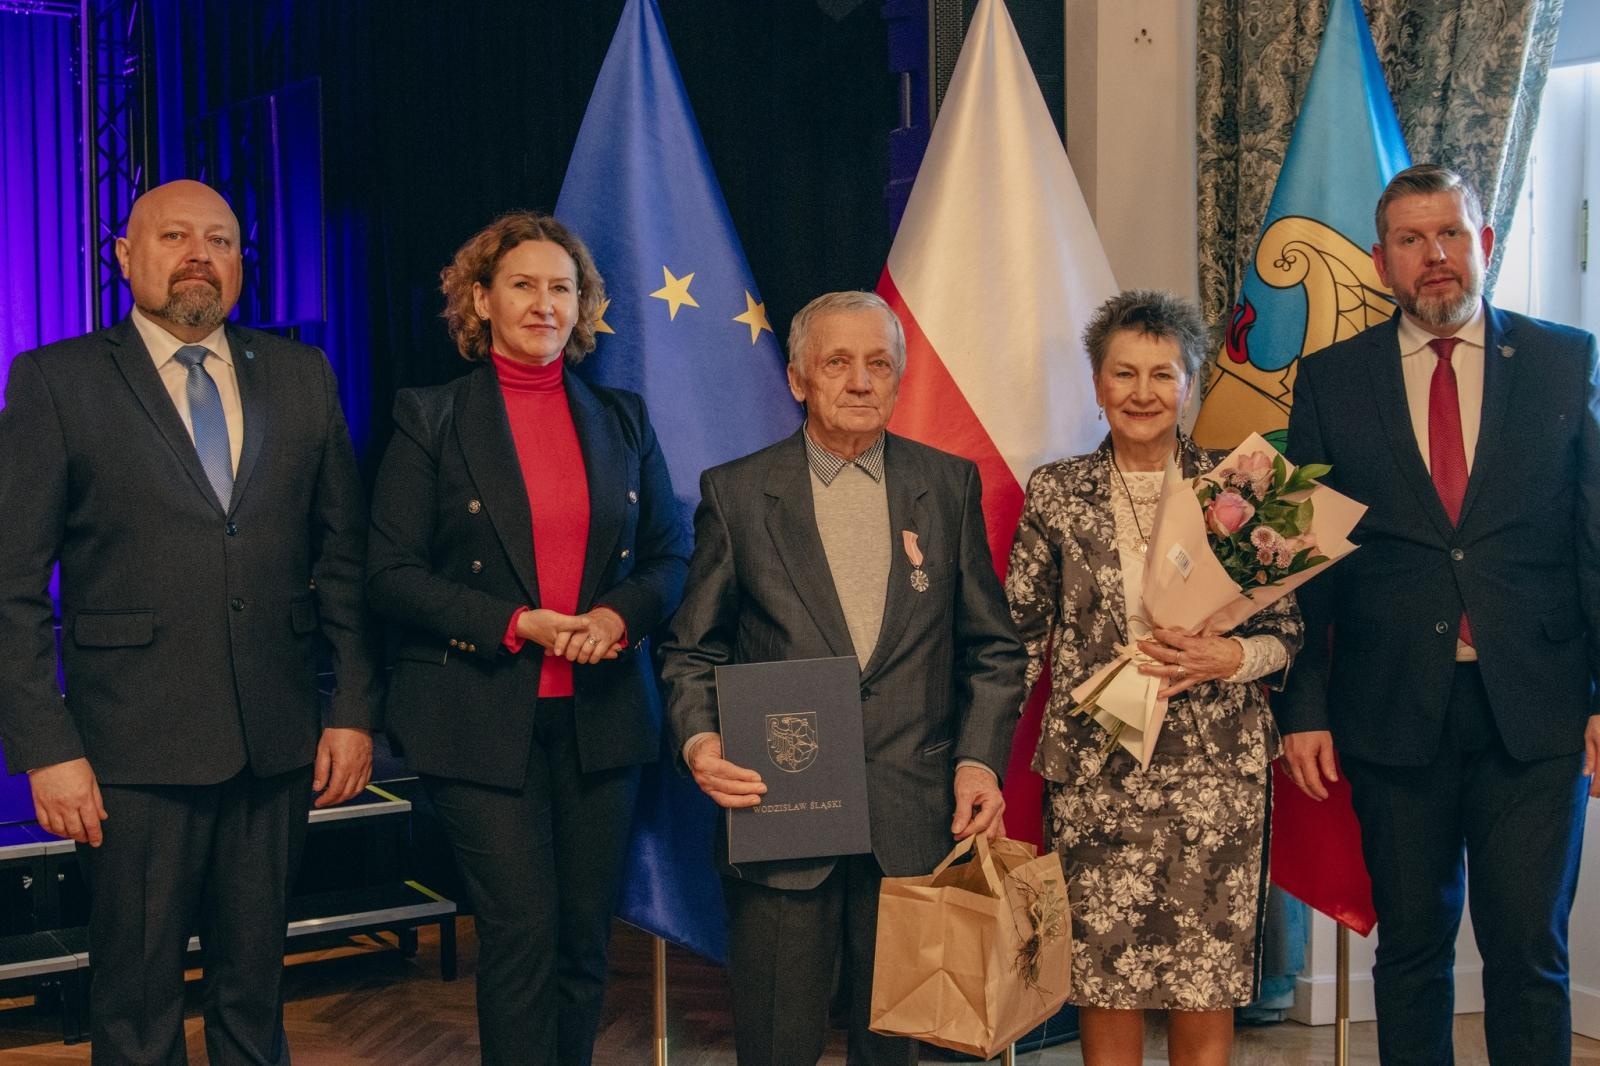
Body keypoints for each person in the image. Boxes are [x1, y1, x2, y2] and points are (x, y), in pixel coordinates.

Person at [0, 179, 380, 1065]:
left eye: (221, 239)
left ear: (242, 262)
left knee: (257, 993)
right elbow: (12, 588)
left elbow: (346, 564)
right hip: (129, 751)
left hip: (277, 742)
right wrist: (46, 747)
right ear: (126, 256)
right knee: (135, 1004)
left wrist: (353, 708)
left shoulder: (302, 374)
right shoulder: (55, 381)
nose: (200, 254)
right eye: (174, 236)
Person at [1280, 163, 1600, 1066]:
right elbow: (1309, 565)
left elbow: (1595, 540)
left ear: (1485, 244)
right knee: (1412, 953)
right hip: (1389, 710)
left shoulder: (1562, 359)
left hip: (1534, 712)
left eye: (1453, 235)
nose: (1437, 258)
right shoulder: (1333, 381)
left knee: (1529, 955)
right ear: (1383, 262)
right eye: (1413, 241)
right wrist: (1302, 708)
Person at [660, 290, 1026, 1066]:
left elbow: (993, 650)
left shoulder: (948, 486)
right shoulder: (737, 495)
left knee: (893, 1051)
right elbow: (693, 650)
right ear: (798, 378)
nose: (860, 381)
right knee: (776, 1044)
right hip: (782, 815)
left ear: (897, 378)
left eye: (879, 364)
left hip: (914, 818)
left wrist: (979, 758)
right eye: (838, 362)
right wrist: (700, 743)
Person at [366, 211, 688, 1066]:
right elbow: (389, 573)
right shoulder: (428, 417)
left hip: (601, 718)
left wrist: (618, 617)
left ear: (581, 306)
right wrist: (515, 623)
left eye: (561, 288)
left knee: (584, 942)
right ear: (481, 299)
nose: (544, 303)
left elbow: (671, 555)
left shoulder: (622, 418)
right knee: (519, 935)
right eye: (523, 285)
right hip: (477, 718)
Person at [1005, 290, 1303, 1066]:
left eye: (1162, 375)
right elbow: (1017, 632)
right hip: (1097, 766)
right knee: (1108, 979)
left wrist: (1231, 657)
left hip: (1216, 773)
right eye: (1124, 374)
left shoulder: (1242, 488)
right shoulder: (1055, 492)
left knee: (1206, 978)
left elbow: (1288, 631)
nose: (1143, 394)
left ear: (1190, 385)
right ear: (1098, 385)